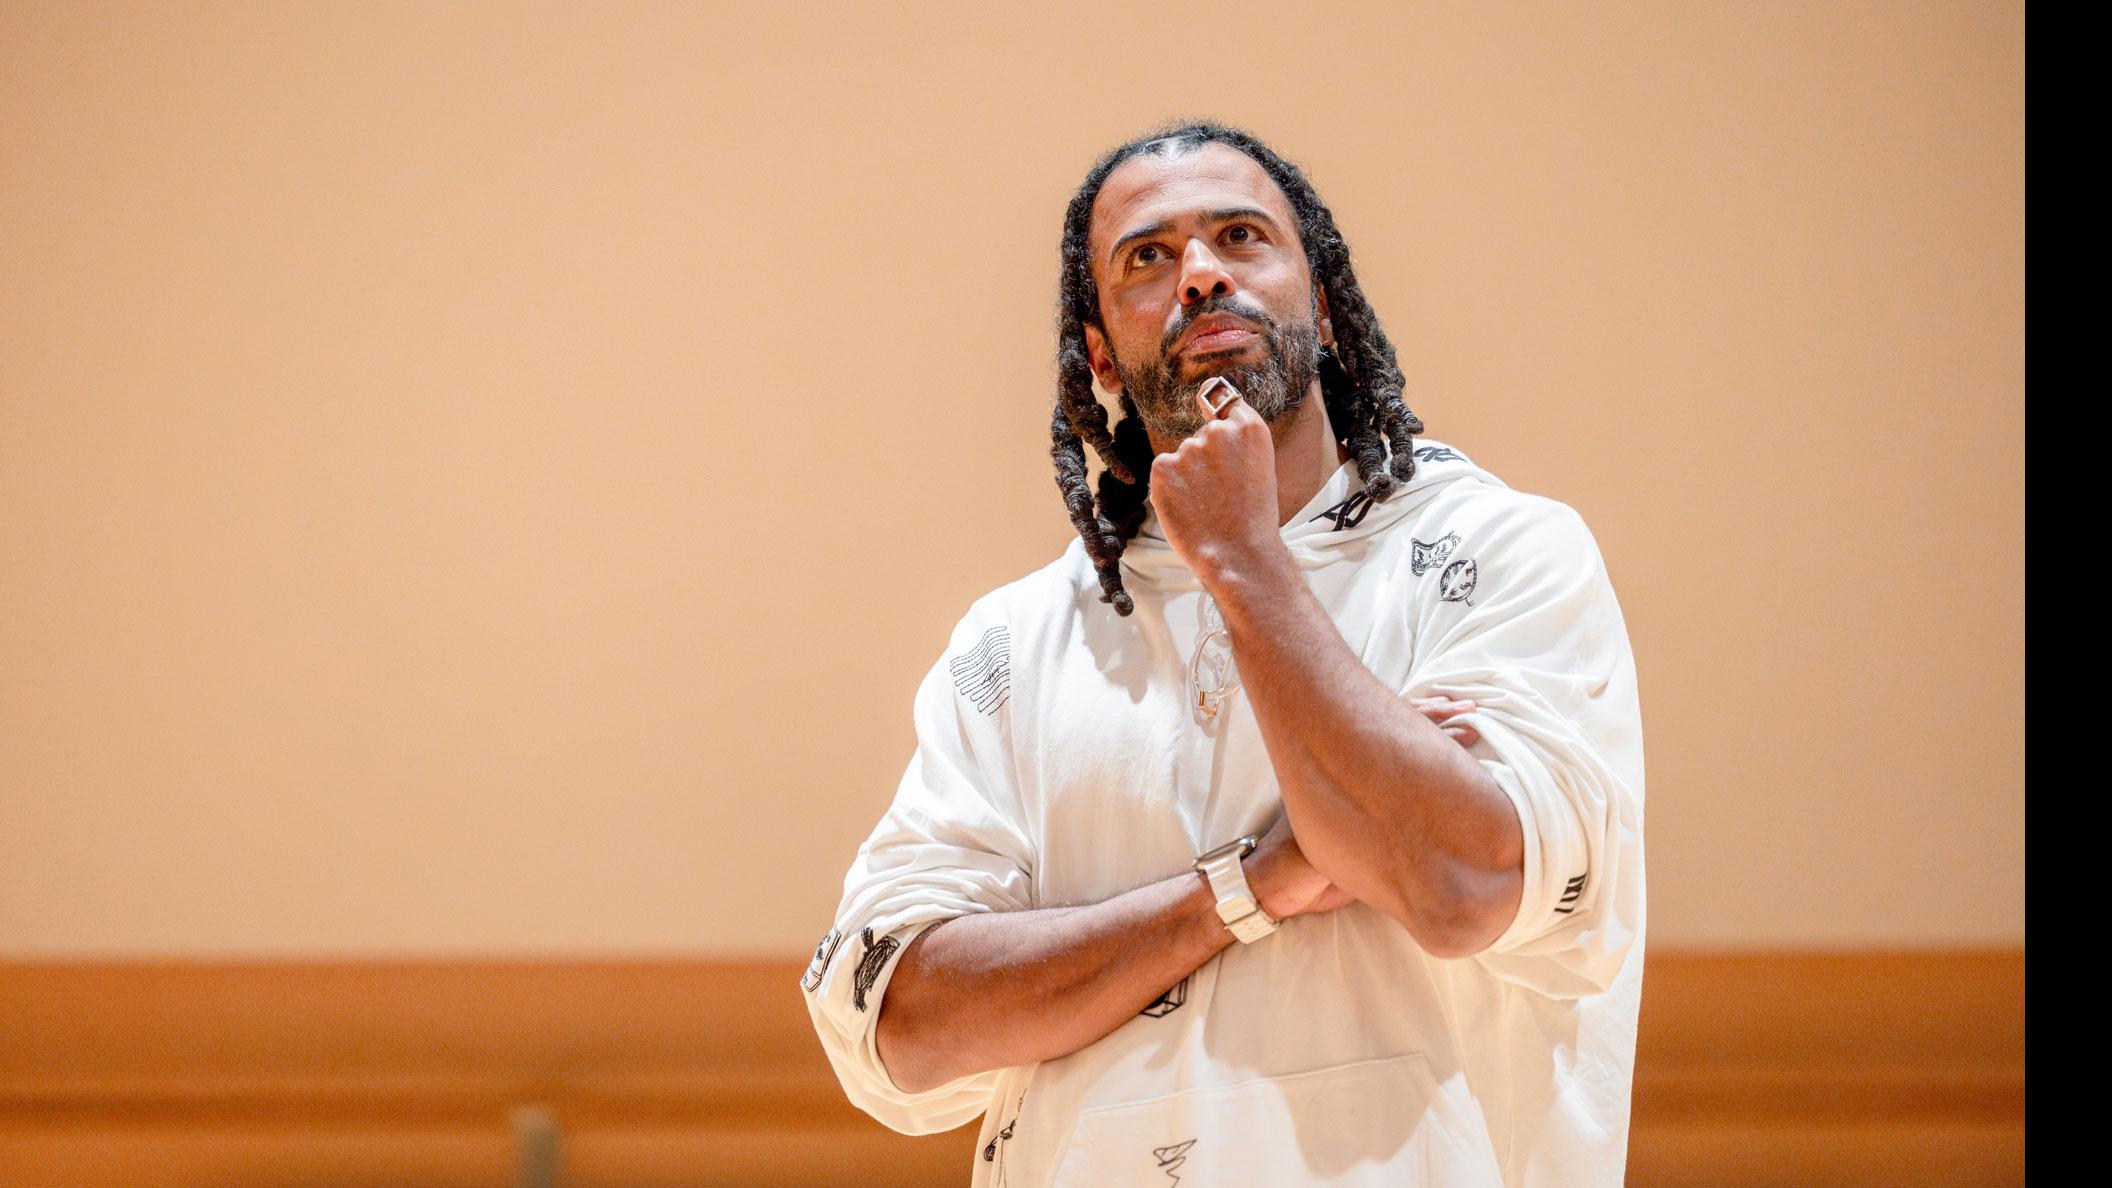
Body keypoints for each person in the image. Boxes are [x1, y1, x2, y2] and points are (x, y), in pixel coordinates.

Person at [800, 119, 1645, 1187]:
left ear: (1324, 302)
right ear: (1100, 349)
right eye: (1146, 258)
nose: (1199, 274)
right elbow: (900, 1026)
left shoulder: (1503, 553)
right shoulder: (1012, 646)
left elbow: (1463, 884)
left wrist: (1245, 561)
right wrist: (1244, 888)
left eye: (1241, 237)